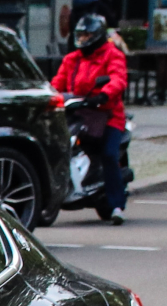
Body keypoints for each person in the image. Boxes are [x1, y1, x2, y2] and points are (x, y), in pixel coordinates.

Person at [53, 12, 131, 226]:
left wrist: (103, 95)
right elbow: (58, 83)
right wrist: (50, 96)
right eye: (81, 35)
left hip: (108, 115)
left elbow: (118, 79)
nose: (83, 39)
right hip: (78, 112)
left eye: (87, 35)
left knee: (108, 154)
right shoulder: (72, 59)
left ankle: (117, 205)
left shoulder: (112, 55)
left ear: (97, 36)